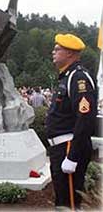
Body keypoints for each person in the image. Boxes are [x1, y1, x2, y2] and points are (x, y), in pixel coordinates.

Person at [46, 33, 97, 209]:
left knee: (70, 203)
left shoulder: (78, 78)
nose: (53, 51)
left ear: (70, 53)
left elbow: (85, 119)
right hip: (60, 147)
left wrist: (72, 157)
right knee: (62, 199)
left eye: (58, 49)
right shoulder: (67, 77)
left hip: (68, 146)